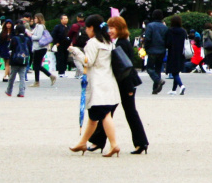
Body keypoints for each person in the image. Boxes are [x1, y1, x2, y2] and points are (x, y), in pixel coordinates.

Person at [89, 16, 149, 155]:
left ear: (120, 28)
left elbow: (126, 67)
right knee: (110, 113)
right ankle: (140, 142)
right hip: (122, 83)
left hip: (125, 84)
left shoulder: (122, 43)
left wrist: (128, 88)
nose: (109, 31)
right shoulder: (120, 42)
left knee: (118, 113)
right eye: (108, 28)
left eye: (112, 28)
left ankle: (140, 142)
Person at [67, 15, 121, 157]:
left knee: (104, 115)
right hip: (108, 82)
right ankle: (82, 142)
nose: (86, 30)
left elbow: (88, 61)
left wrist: (75, 51)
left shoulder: (93, 42)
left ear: (91, 28)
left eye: (87, 27)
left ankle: (114, 144)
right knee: (94, 117)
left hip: (98, 84)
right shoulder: (108, 42)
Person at [141, 10, 167, 94]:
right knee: (158, 69)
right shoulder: (164, 27)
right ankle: (155, 88)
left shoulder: (150, 26)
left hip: (152, 50)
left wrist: (146, 47)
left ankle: (158, 80)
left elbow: (148, 38)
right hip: (162, 50)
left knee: (149, 68)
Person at [28, 13, 55, 88]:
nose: (34, 19)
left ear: (39, 19)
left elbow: (38, 37)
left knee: (36, 65)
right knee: (37, 65)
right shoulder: (37, 26)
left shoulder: (40, 26)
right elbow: (32, 33)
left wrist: (31, 37)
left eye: (36, 18)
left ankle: (38, 81)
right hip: (37, 47)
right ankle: (49, 76)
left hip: (40, 47)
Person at [5, 23, 31, 98]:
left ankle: (9, 91)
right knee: (22, 77)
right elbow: (30, 49)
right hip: (24, 60)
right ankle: (21, 92)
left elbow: (10, 48)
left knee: (12, 77)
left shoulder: (14, 38)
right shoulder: (27, 39)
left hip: (15, 60)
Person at [165, 15, 188, 96]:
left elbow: (167, 43)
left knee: (174, 72)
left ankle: (181, 85)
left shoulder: (170, 31)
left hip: (173, 52)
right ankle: (174, 89)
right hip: (181, 53)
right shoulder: (183, 31)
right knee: (176, 71)